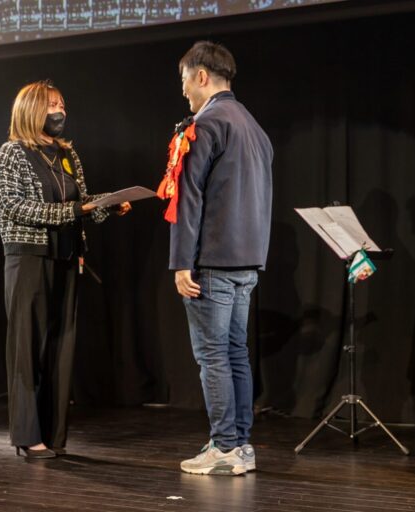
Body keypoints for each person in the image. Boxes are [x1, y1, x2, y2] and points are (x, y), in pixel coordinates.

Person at [0, 80, 130, 459]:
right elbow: (15, 207)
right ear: (32, 109)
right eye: (52, 104)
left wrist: (108, 203)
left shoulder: (67, 154)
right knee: (27, 347)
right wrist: (76, 210)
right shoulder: (12, 153)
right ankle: (26, 435)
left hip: (67, 257)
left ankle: (53, 434)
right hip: (29, 258)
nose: (60, 111)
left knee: (59, 346)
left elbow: (79, 201)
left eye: (62, 104)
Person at [167, 41, 273, 475]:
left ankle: (224, 446)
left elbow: (187, 198)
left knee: (214, 356)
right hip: (247, 261)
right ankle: (241, 446)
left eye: (185, 80)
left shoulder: (206, 124)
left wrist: (180, 262)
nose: (184, 91)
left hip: (211, 262)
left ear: (202, 76)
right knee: (234, 354)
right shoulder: (253, 126)